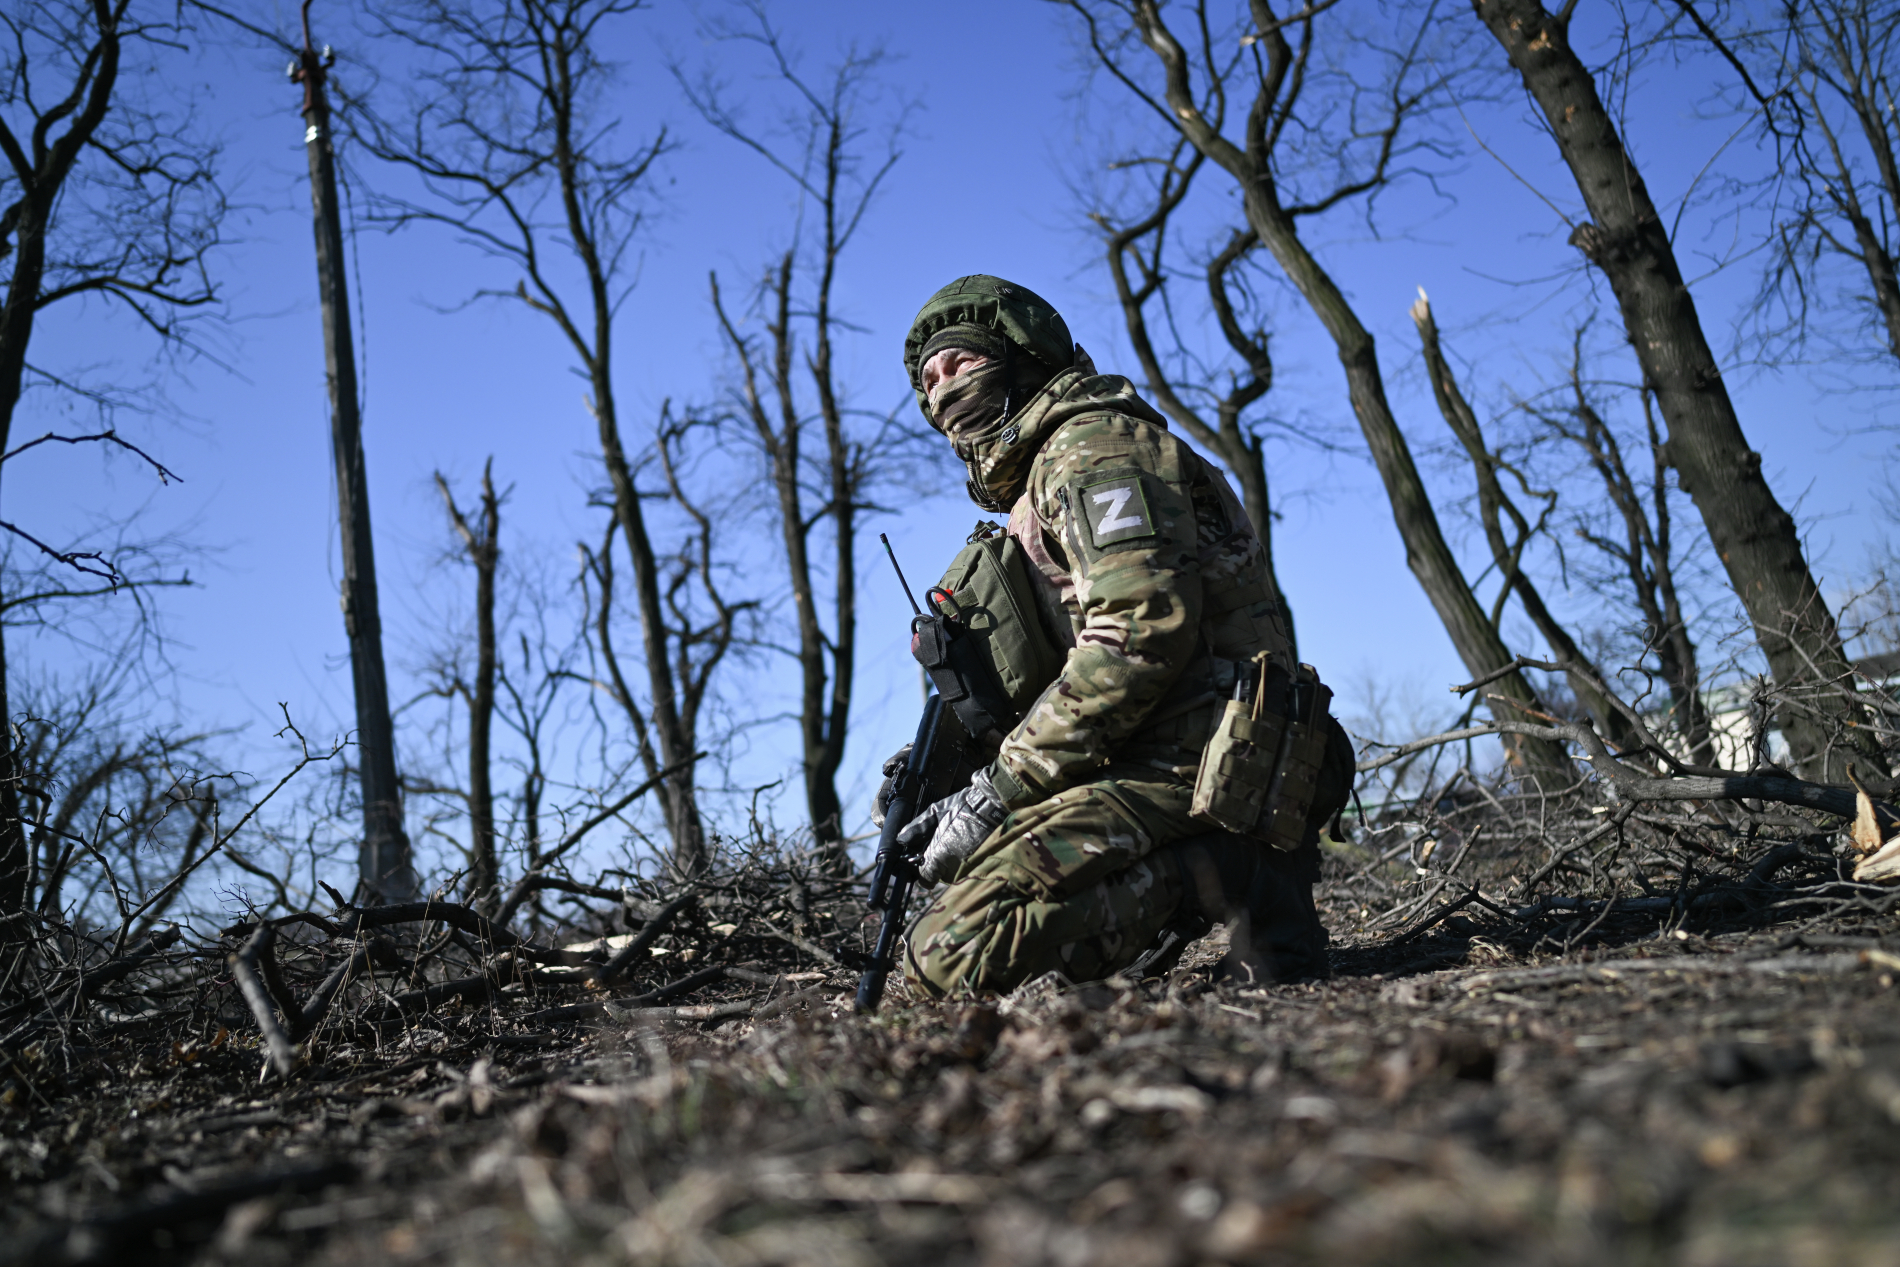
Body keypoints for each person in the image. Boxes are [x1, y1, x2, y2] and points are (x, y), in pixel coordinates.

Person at [883, 274, 1353, 998]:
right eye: (930, 377)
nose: (943, 386)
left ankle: (1241, 870)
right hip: (1146, 758)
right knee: (935, 943)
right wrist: (951, 772)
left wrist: (997, 791)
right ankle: (1220, 873)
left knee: (948, 955)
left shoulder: (1092, 447)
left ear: (1020, 358)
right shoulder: (1044, 480)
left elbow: (1141, 632)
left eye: (962, 361)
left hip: (1200, 761)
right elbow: (1077, 670)